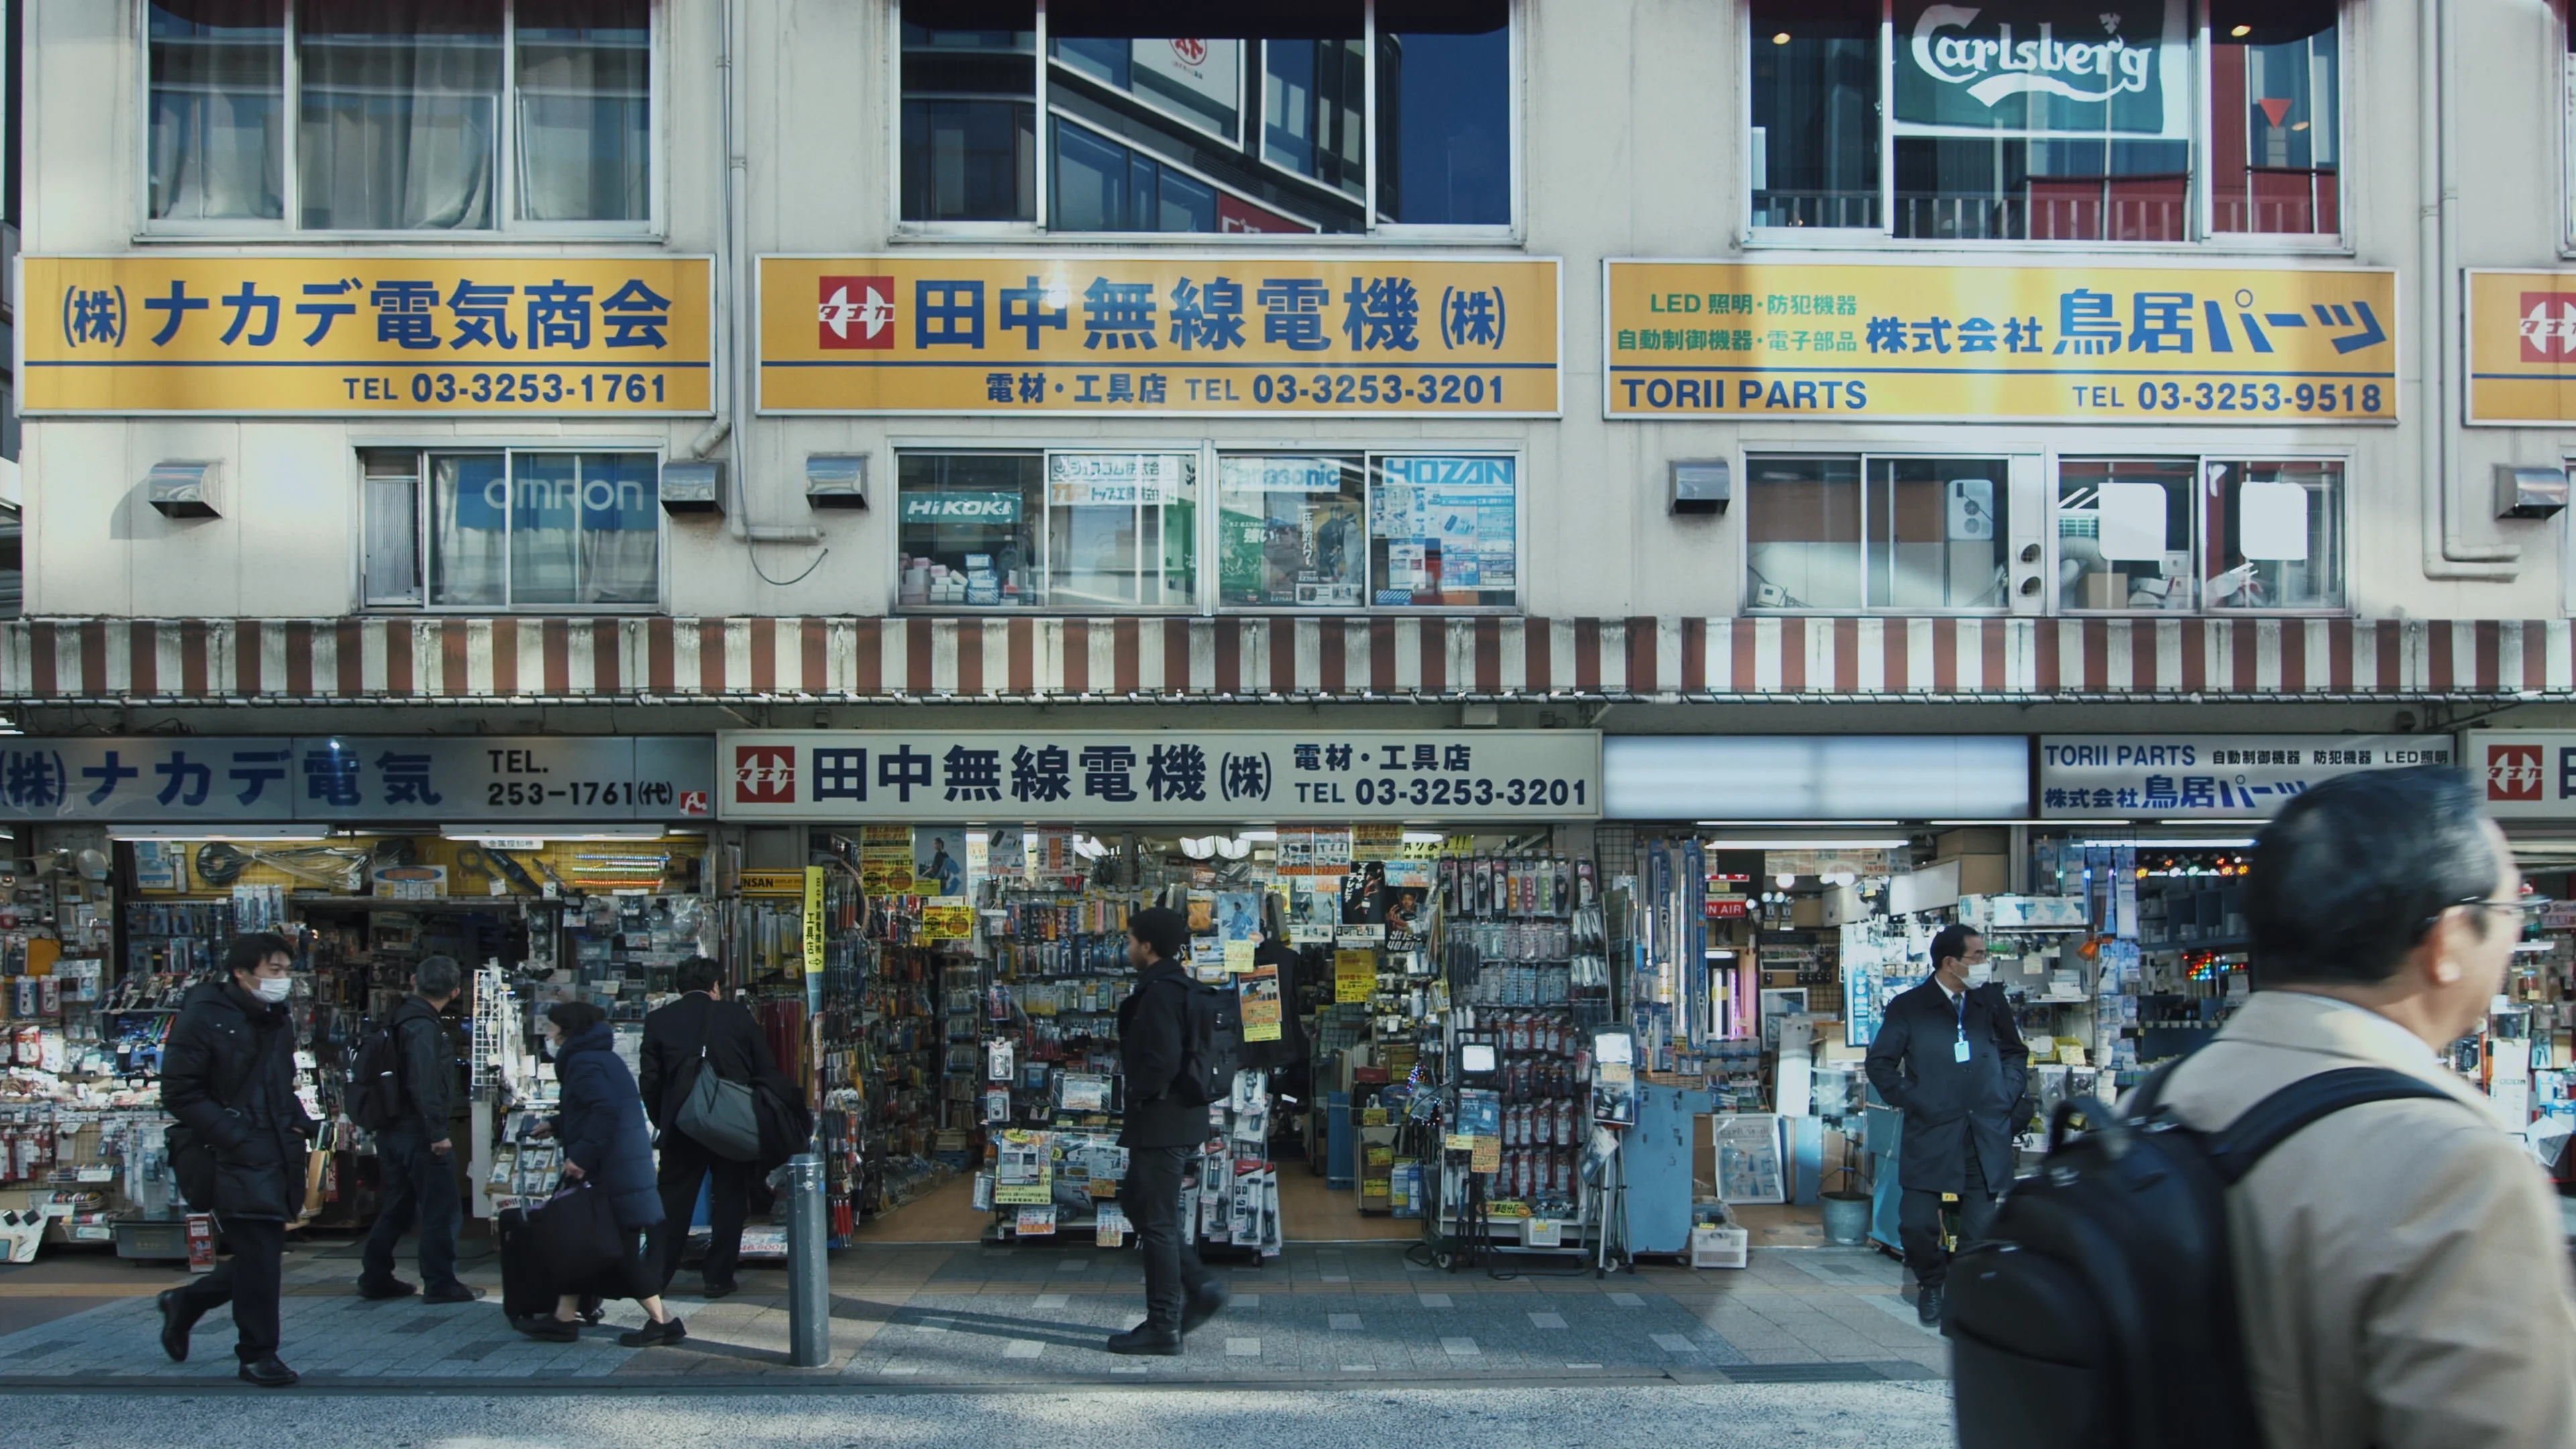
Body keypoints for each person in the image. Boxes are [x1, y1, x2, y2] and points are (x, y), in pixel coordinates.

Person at [2153, 766, 2576, 1446]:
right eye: (2507, 910)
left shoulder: (2160, 1102)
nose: (2511, 934)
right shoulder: (2455, 1168)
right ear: (2442, 943)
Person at [156, 932, 316, 1387]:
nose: (283, 980)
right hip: (230, 1152)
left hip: (273, 1147)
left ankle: (185, 1304)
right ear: (242, 974)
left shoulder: (276, 1020)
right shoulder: (204, 1018)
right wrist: (235, 1135)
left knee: (257, 1254)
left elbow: (278, 1085)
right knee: (261, 1253)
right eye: (274, 971)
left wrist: (299, 1122)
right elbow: (180, 1091)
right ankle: (257, 1354)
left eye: (287, 971)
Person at [1864, 922, 2027, 1328]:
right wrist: (1916, 1099)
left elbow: (2014, 1052)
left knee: (1981, 1231)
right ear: (1950, 963)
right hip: (1933, 1132)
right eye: (1978, 956)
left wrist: (2005, 1095)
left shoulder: (1989, 1001)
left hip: (1984, 1131)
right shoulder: (1910, 1006)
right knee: (1916, 1225)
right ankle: (1931, 1283)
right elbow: (1880, 1064)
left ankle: (1963, 1295)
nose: (1985, 964)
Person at [521, 1000, 684, 1347]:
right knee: (580, 1240)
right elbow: (593, 1109)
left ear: (567, 1030)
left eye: (551, 1029)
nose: (548, 1036)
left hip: (609, 1172)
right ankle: (563, 1317)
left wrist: (579, 1157)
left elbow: (605, 1111)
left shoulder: (583, 1063)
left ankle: (664, 1322)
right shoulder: (598, 1057)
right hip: (616, 1168)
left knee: (617, 1251)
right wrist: (555, 1124)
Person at [1106, 906, 1227, 1356]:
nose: (1128, 947)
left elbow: (1161, 1061)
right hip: (1181, 1117)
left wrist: (1138, 1094)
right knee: (1137, 1201)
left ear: (1148, 945)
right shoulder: (1182, 987)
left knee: (1156, 1222)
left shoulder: (1159, 993)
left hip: (1162, 1119)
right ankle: (1199, 1285)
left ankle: (1164, 1324)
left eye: (1131, 940)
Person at [637, 956, 794, 1299]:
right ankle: (718, 1277)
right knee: (730, 1199)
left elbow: (649, 1080)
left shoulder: (659, 1020)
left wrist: (664, 1117)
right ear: (715, 986)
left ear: (680, 987)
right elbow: (764, 1068)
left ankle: (657, 1276)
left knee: (673, 1202)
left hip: (681, 1125)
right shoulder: (737, 1016)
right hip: (730, 1124)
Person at [356, 955, 480, 1303]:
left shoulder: (394, 1018)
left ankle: (375, 1274)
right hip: (419, 1133)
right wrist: (438, 1132)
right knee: (441, 1208)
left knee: (398, 1203)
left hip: (391, 1128)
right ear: (456, 992)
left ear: (413, 981)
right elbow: (425, 1083)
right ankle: (440, 1281)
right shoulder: (424, 1027)